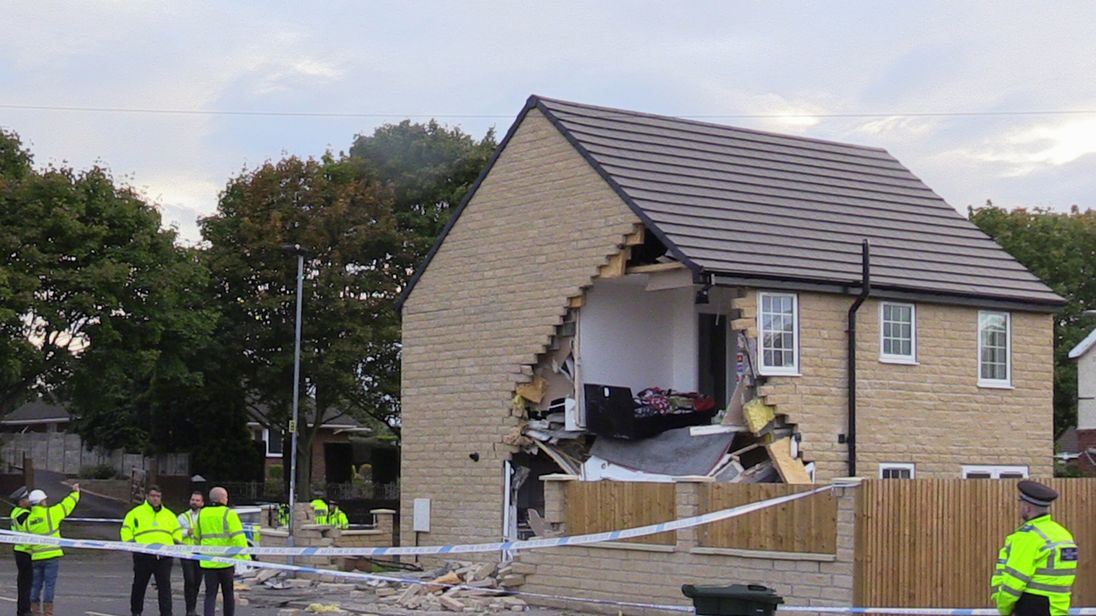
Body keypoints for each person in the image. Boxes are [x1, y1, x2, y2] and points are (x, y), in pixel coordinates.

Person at [991, 480, 1078, 616]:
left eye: (1020, 503)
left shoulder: (1028, 537)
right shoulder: (1063, 534)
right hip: (1058, 607)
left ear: (1027, 508)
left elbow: (1014, 582)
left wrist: (1004, 608)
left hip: (1032, 607)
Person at [121, 485, 182, 616]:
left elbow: (177, 531)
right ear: (147, 496)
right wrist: (129, 542)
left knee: (165, 587)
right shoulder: (135, 513)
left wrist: (177, 539)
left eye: (158, 496)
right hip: (143, 555)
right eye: (153, 496)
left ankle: (166, 613)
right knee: (139, 585)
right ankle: (136, 612)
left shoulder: (169, 515)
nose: (155, 499)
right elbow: (126, 529)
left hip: (164, 557)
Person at [24, 483, 80, 616]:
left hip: (36, 557)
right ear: (41, 502)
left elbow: (26, 542)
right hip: (51, 556)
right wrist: (75, 493)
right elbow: (67, 505)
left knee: (35, 585)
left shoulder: (28, 520)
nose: (46, 502)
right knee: (50, 585)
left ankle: (35, 611)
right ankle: (48, 613)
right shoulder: (51, 513)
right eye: (45, 500)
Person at [195, 486, 250, 616]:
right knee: (228, 594)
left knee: (210, 595)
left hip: (208, 561)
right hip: (226, 561)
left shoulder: (202, 513)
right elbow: (239, 537)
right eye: (225, 497)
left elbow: (197, 537)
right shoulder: (228, 513)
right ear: (221, 498)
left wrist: (198, 552)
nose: (227, 499)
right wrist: (245, 557)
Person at [177, 491, 205, 616]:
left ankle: (192, 609)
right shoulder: (183, 517)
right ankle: (189, 610)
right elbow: (175, 533)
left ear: (202, 503)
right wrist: (186, 533)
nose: (194, 502)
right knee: (189, 581)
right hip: (186, 552)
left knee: (197, 581)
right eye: (193, 499)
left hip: (200, 552)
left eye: (197, 500)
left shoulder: (205, 517)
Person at [9, 486, 33, 616]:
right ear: (21, 501)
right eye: (26, 499)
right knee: (25, 583)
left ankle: (23, 609)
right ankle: (24, 610)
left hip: (19, 549)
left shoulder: (16, 512)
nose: (29, 501)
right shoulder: (23, 514)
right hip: (25, 551)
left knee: (23, 582)